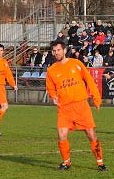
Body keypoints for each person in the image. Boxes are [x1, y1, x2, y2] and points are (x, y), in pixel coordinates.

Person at [45, 39, 106, 171]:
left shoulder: (76, 64)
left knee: (91, 134)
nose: (56, 53)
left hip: (81, 105)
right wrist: (53, 96)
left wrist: (96, 98)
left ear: (64, 50)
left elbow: (89, 80)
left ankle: (100, 162)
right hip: (64, 108)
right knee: (61, 134)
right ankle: (66, 162)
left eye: (59, 50)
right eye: (54, 51)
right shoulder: (51, 70)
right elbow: (50, 88)